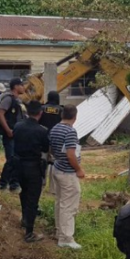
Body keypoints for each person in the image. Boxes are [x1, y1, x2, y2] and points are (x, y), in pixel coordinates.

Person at [12, 100, 49, 242]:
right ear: (40, 113)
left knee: (24, 193)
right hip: (33, 167)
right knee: (33, 199)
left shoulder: (18, 126)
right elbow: (45, 149)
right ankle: (29, 233)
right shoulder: (42, 130)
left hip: (19, 166)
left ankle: (25, 219)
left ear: (27, 112)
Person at [49, 104, 84, 249]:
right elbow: (71, 154)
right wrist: (79, 169)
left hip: (57, 168)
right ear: (75, 117)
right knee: (69, 205)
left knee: (60, 202)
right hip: (68, 172)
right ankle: (66, 238)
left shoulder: (55, 128)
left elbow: (52, 149)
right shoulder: (70, 131)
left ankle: (59, 231)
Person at [0, 78, 27, 191]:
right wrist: (8, 130)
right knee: (11, 159)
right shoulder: (8, 99)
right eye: (22, 85)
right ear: (16, 86)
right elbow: (0, 114)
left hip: (18, 134)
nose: (24, 87)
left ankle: (14, 183)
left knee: (17, 159)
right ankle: (3, 183)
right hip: (10, 134)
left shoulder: (18, 100)